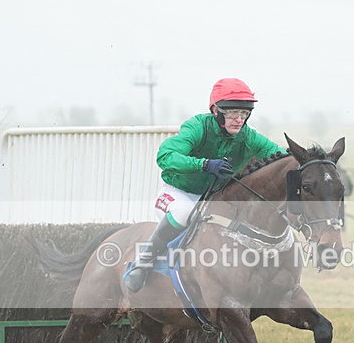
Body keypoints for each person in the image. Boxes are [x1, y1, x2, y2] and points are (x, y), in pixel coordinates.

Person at [123, 77, 287, 293]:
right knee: (184, 212)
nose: (239, 120)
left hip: (213, 198)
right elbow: (165, 155)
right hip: (179, 193)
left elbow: (281, 158)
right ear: (217, 111)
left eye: (244, 114)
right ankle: (142, 263)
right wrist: (205, 164)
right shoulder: (197, 127)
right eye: (232, 113)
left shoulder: (248, 136)